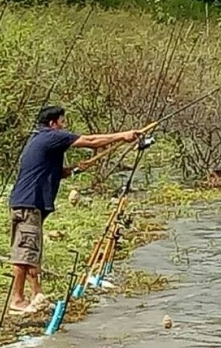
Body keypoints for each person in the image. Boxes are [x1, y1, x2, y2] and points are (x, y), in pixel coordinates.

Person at [8, 106, 142, 313]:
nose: (65, 126)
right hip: (29, 204)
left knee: (31, 251)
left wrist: (75, 169)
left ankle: (37, 296)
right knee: (25, 253)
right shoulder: (50, 137)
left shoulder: (39, 140)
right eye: (62, 122)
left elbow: (53, 172)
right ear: (52, 124)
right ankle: (17, 300)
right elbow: (90, 141)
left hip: (29, 204)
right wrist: (122, 136)